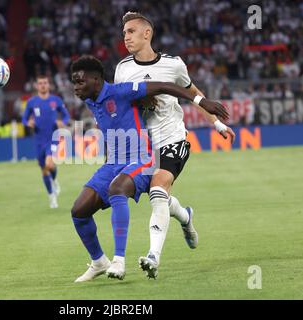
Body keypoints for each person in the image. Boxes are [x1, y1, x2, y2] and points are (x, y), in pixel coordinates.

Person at [70, 55, 229, 282]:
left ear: (96, 80)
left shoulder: (121, 91)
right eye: (74, 82)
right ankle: (99, 261)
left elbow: (166, 86)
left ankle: (119, 261)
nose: (76, 88)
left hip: (141, 159)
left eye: (80, 82)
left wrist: (202, 103)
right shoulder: (90, 99)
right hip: (113, 162)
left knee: (119, 190)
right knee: (79, 211)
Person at [115, 12, 236, 279]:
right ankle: (185, 216)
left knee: (158, 189)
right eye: (124, 32)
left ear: (147, 34)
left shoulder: (174, 65)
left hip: (173, 139)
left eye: (131, 31)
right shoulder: (122, 69)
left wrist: (216, 124)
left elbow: (195, 95)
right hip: (143, 147)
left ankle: (153, 256)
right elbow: (119, 106)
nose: (126, 37)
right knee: (161, 198)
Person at [22, 75, 70, 208]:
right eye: (40, 83)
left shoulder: (56, 100)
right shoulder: (32, 102)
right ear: (37, 86)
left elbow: (66, 116)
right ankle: (51, 196)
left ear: (48, 85)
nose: (43, 85)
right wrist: (29, 122)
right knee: (44, 170)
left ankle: (54, 181)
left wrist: (63, 122)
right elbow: (24, 119)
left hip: (53, 138)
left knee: (49, 164)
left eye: (45, 83)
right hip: (38, 140)